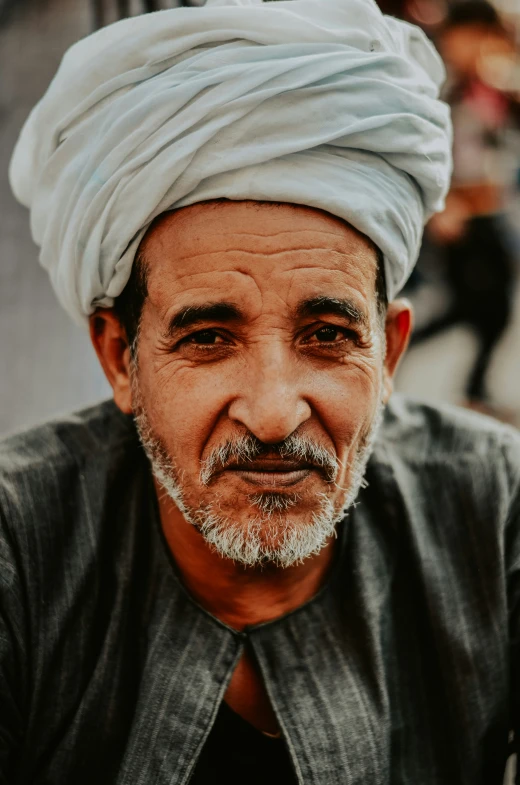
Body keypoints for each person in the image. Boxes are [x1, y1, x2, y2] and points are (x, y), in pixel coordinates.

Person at [2, 0, 518, 782]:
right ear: (119, 357)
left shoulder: (497, 509)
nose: (275, 413)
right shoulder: (18, 543)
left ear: (389, 354)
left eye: (328, 336)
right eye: (208, 339)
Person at [411, 0, 518, 410]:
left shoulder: (491, 86)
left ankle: (475, 390)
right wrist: (441, 205)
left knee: (492, 307)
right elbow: (425, 150)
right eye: (469, 36)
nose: (476, 46)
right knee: (466, 306)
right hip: (457, 216)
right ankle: (390, 344)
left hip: (490, 213)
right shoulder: (442, 88)